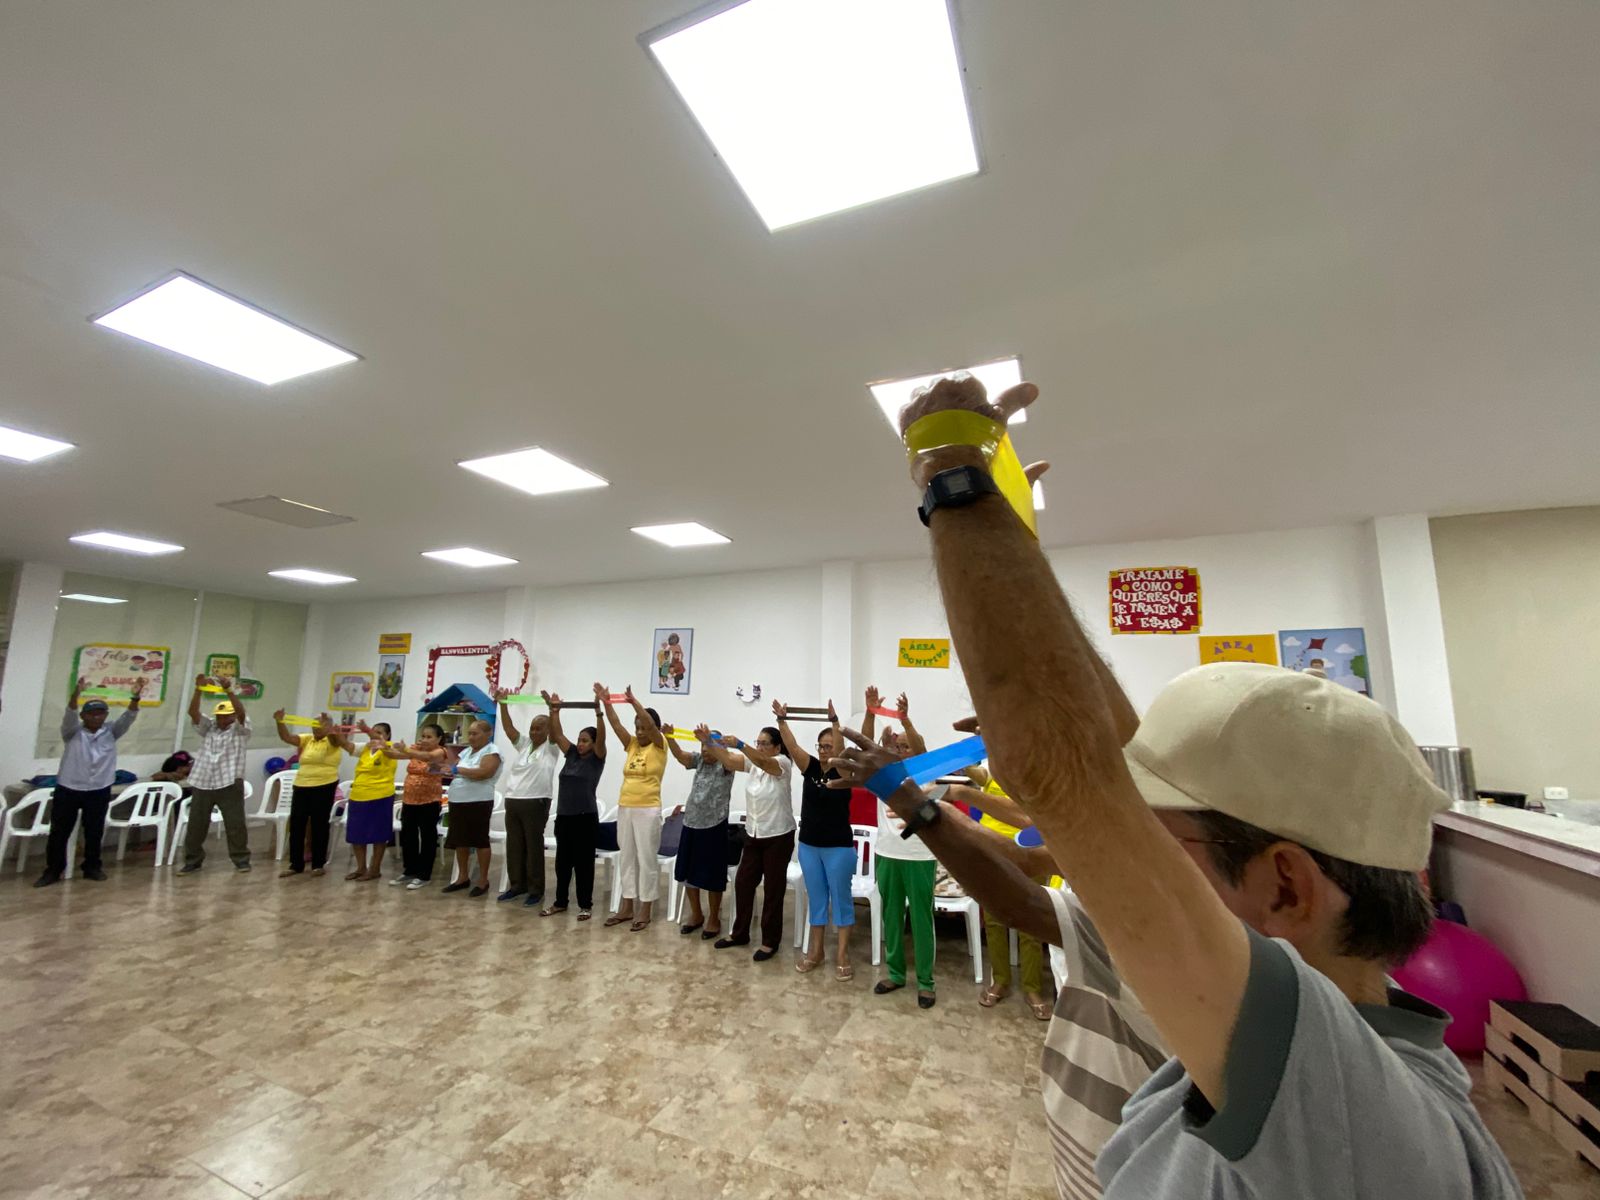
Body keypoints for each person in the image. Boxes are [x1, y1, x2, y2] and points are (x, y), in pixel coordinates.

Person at [833, 372, 1520, 1198]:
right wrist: (1007, 535)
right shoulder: (1309, 1017)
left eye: (1165, 831)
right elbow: (1100, 764)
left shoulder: (1351, 1114)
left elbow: (1069, 772)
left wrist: (949, 469)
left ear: (1286, 885)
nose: (1127, 839)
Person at [860, 688, 939, 1009]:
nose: (903, 750)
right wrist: (870, 713)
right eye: (898, 746)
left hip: (919, 855)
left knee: (921, 919)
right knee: (891, 916)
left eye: (907, 746)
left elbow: (919, 748)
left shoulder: (926, 772)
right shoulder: (884, 774)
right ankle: (895, 973)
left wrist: (905, 720)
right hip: (887, 852)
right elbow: (863, 747)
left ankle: (926, 982)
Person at [773, 698, 854, 980]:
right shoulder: (810, 768)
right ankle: (816, 952)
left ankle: (842, 955)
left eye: (828, 746)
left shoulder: (843, 771)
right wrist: (781, 721)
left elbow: (840, 749)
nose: (823, 751)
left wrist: (835, 722)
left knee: (841, 901)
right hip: (809, 846)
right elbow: (793, 746)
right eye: (821, 746)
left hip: (839, 848)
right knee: (817, 899)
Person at [36, 675, 143, 886]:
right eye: (91, 713)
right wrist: (76, 693)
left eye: (100, 713)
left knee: (94, 831)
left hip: (98, 789)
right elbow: (69, 713)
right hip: (69, 788)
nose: (96, 717)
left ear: (106, 715)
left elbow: (129, 716)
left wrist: (136, 697)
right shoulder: (72, 732)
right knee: (59, 832)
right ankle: (53, 870)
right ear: (83, 716)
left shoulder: (111, 731)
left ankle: (92, 867)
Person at [710, 725, 793, 962]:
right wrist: (709, 742)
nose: (760, 747)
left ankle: (770, 941)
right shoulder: (753, 764)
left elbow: (764, 762)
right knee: (743, 883)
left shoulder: (782, 763)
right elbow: (728, 760)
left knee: (773, 890)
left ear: (777, 747)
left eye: (765, 743)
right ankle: (740, 934)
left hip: (778, 835)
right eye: (758, 743)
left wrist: (740, 744)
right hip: (753, 834)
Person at [597, 683, 666, 932]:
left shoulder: (660, 744)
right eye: (636, 727)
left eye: (643, 727)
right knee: (626, 858)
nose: (639, 731)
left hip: (648, 809)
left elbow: (650, 725)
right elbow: (616, 725)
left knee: (646, 859)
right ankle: (626, 906)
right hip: (625, 806)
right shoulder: (632, 744)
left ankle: (645, 907)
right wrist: (606, 702)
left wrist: (634, 702)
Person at [540, 691, 607, 919]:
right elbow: (557, 734)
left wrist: (599, 712)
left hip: (585, 818)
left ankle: (585, 905)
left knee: (583, 864)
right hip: (564, 817)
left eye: (585, 740)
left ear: (594, 743)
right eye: (579, 740)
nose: (580, 744)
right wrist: (554, 710)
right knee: (562, 864)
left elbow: (602, 739)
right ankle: (560, 902)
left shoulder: (597, 758)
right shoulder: (571, 755)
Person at [177, 676, 253, 875]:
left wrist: (229, 691)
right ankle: (192, 861)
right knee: (196, 825)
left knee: (235, 824)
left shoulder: (239, 730)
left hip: (229, 782)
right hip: (203, 782)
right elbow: (193, 713)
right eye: (219, 716)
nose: (222, 720)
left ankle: (241, 860)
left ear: (233, 717)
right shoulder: (209, 727)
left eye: (226, 716)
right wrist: (198, 689)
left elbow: (242, 713)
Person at [664, 722, 734, 939]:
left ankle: (714, 918)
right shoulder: (700, 760)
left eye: (708, 745)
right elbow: (681, 756)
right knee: (688, 872)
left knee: (713, 875)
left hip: (714, 825)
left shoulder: (727, 763)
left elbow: (725, 757)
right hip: (691, 823)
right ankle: (696, 914)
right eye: (702, 746)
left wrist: (710, 741)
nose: (704, 750)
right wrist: (670, 737)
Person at [493, 688, 561, 907]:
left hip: (536, 801)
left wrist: (551, 708)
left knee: (533, 846)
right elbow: (508, 728)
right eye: (532, 728)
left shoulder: (551, 747)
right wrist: (503, 704)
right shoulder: (524, 745)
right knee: (514, 845)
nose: (534, 732)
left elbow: (555, 731)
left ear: (548, 730)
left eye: (539, 728)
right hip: (513, 800)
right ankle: (517, 886)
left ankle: (535, 889)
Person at [271, 709, 342, 877]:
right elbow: (287, 738)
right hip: (302, 784)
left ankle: (318, 864)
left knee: (319, 824)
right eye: (314, 725)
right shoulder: (307, 739)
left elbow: (335, 739)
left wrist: (329, 727)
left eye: (319, 725)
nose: (315, 728)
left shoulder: (333, 740)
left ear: (328, 726)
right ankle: (295, 864)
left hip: (324, 784)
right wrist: (280, 722)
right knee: (297, 824)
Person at [440, 718, 501, 897]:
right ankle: (462, 877)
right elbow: (454, 769)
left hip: (478, 801)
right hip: (458, 800)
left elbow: (484, 773)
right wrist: (447, 770)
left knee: (480, 840)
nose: (471, 737)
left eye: (475, 733)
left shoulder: (492, 752)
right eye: (470, 733)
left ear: (488, 734)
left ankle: (483, 880)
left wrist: (458, 770)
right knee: (461, 840)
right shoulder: (466, 751)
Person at [386, 722, 449, 889]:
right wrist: (381, 745)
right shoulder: (415, 750)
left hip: (429, 801)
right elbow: (393, 755)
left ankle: (424, 875)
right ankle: (410, 870)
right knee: (408, 835)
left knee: (427, 837)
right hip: (409, 800)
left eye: (429, 737)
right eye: (423, 736)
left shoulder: (440, 752)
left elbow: (428, 757)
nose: (425, 739)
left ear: (439, 739)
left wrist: (406, 749)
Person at [343, 721, 397, 881]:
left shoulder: (390, 747)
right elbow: (344, 744)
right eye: (374, 732)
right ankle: (361, 868)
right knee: (356, 834)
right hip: (358, 795)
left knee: (378, 834)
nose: (374, 735)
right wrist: (332, 729)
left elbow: (381, 743)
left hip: (381, 796)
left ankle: (375, 869)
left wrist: (367, 729)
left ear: (387, 735)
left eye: (380, 733)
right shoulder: (365, 748)